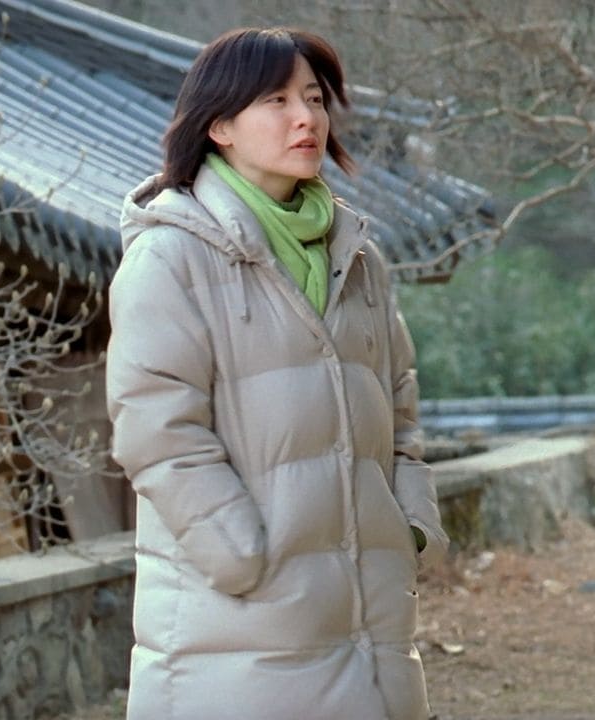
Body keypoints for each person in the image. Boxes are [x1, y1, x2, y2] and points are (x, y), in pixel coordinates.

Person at [105, 27, 450, 720]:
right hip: (235, 628)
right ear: (219, 125)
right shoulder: (171, 256)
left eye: (315, 99)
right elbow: (157, 433)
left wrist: (411, 526)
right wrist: (242, 555)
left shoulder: (358, 258)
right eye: (278, 100)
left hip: (369, 627)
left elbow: (401, 414)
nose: (306, 118)